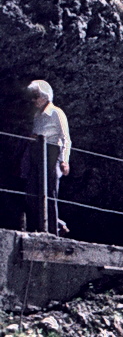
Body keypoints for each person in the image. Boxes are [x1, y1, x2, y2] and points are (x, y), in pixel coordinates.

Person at [23, 80, 70, 235]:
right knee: (32, 192)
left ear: (44, 97)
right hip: (37, 153)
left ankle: (52, 230)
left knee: (50, 192)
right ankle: (36, 227)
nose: (33, 100)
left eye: (36, 97)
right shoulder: (37, 115)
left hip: (52, 153)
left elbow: (65, 138)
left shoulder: (56, 112)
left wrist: (64, 160)